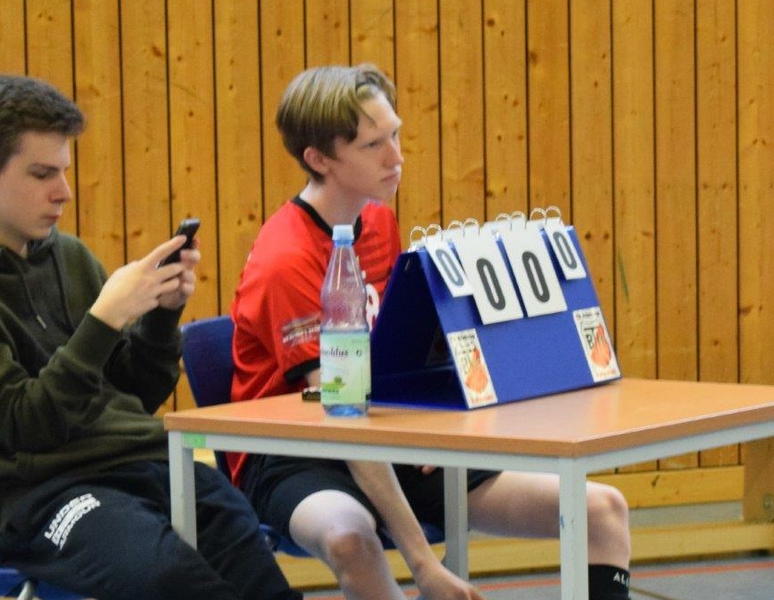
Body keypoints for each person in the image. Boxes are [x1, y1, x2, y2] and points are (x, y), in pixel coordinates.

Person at [229, 64, 633, 600]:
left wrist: (428, 432)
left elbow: (399, 359)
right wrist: (423, 564)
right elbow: (342, 416)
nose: (396, 157)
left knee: (602, 509)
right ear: (319, 159)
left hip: (383, 431)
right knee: (352, 539)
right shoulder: (286, 258)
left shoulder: (378, 220)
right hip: (294, 452)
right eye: (373, 145)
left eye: (395, 135)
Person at [0, 74, 301, 600]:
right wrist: (104, 320)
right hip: (48, 495)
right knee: (171, 579)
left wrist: (160, 316)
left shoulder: (69, 257)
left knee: (254, 569)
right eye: (42, 173)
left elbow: (134, 393)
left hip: (147, 463)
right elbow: (27, 425)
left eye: (64, 171)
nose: (63, 191)